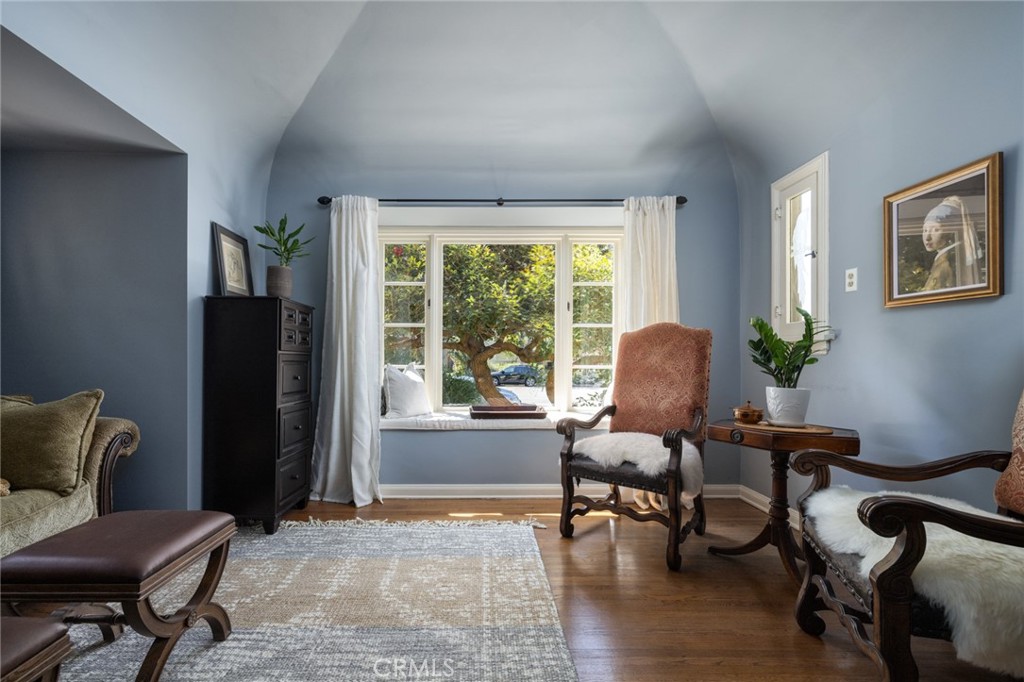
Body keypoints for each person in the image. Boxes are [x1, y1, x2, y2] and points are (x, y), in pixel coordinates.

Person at [920, 195, 980, 291]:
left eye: (936, 230)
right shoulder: (945, 257)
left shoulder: (948, 260)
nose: (927, 238)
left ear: (951, 232)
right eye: (925, 230)